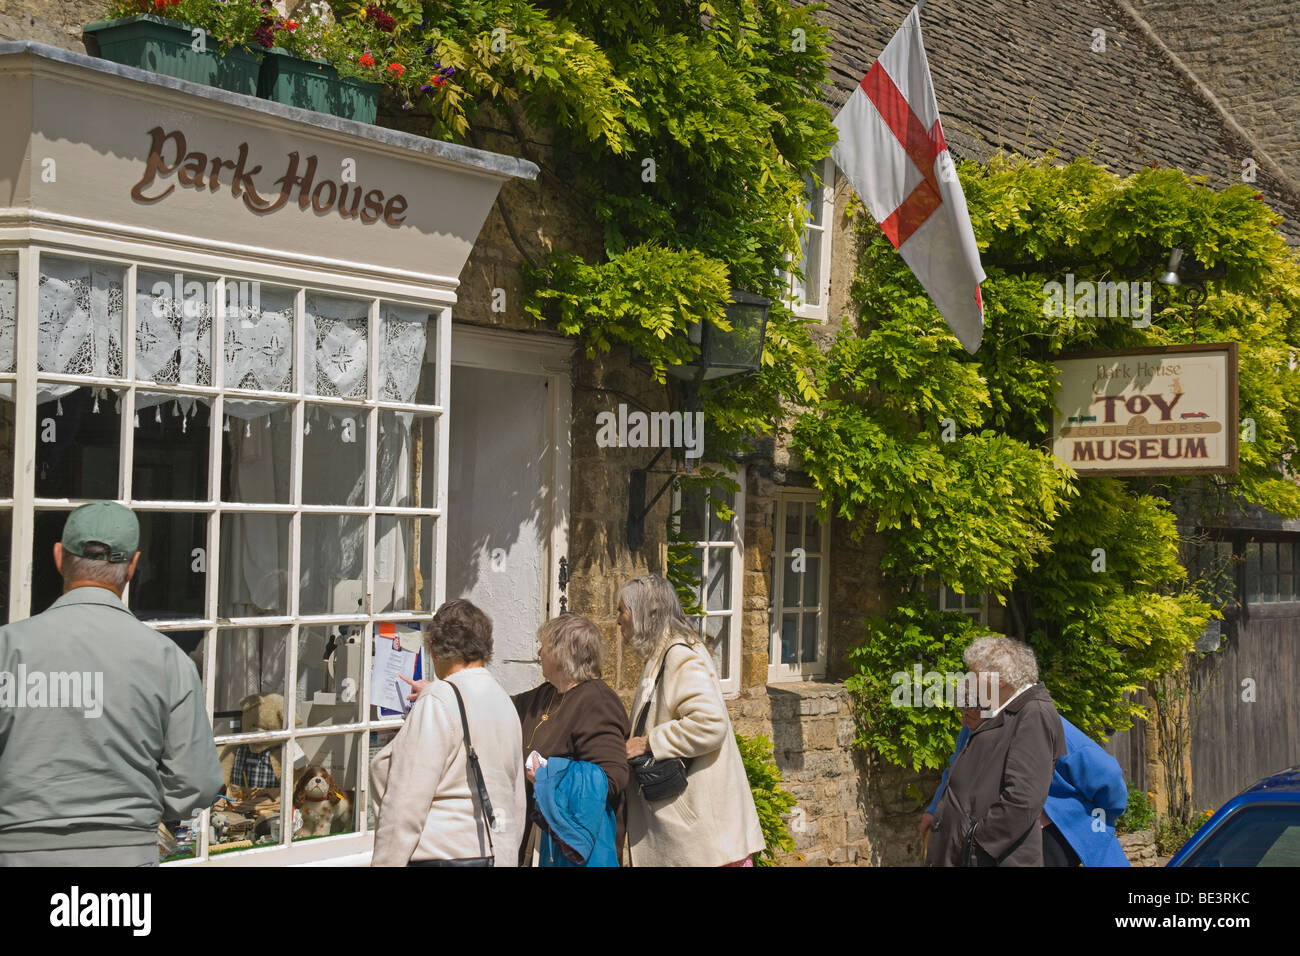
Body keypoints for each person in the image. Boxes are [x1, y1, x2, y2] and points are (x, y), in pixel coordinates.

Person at [0, 501, 224, 866]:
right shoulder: (167, 659)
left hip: (17, 851)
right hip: (125, 851)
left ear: (59, 556)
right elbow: (196, 782)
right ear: (132, 566)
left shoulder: (7, 647)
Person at [619, 574, 764, 867]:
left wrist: (649, 743)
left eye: (623, 611)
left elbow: (710, 725)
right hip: (693, 835)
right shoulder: (663, 653)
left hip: (700, 837)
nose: (618, 620)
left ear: (645, 613)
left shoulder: (679, 656)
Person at [370, 599, 525, 866]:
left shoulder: (439, 699)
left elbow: (406, 801)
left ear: (433, 647)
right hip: (493, 853)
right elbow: (515, 797)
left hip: (442, 854)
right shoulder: (502, 700)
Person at [922, 707, 1130, 867]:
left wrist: (1105, 813)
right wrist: (934, 811)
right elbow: (956, 769)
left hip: (1050, 835)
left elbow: (1106, 775)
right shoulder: (972, 725)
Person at [925, 635, 1066, 867]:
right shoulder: (1005, 710)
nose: (968, 680)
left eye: (973, 674)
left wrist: (974, 841)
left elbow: (1023, 799)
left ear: (999, 679)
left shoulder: (1034, 713)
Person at [512, 614, 630, 866]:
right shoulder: (548, 694)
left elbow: (611, 777)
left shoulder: (598, 702)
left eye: (545, 646)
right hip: (544, 840)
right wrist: (451, 694)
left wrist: (549, 775)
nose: (539, 652)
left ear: (563, 654)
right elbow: (500, 706)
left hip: (572, 848)